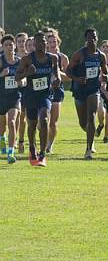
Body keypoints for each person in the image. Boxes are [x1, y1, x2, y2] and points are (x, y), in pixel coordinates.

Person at [16, 32, 62, 166]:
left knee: (44, 118)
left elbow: (56, 72)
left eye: (43, 41)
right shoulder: (27, 59)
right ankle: (32, 148)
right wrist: (27, 73)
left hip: (45, 95)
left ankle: (42, 154)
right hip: (31, 95)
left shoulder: (52, 58)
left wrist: (57, 79)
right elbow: (17, 77)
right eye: (38, 42)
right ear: (34, 44)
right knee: (32, 125)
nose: (41, 44)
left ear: (46, 43)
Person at [65, 28, 107, 160]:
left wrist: (106, 76)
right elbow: (68, 71)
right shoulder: (79, 54)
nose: (92, 40)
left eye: (94, 37)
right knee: (83, 122)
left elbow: (106, 72)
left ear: (97, 38)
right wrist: (77, 79)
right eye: (89, 38)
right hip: (79, 90)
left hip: (93, 89)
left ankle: (88, 149)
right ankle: (91, 135)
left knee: (91, 116)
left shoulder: (101, 56)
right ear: (86, 39)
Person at [43, 29, 68, 155]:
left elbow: (69, 77)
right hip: (44, 91)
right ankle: (43, 141)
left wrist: (57, 72)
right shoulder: (42, 57)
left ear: (58, 42)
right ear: (46, 43)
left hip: (58, 90)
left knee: (53, 121)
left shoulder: (63, 58)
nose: (53, 44)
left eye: (54, 41)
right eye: (50, 41)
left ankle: (49, 145)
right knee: (43, 120)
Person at [1, 34, 21, 163]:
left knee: (12, 122)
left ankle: (10, 153)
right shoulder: (1, 60)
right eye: (6, 45)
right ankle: (2, 139)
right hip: (1, 97)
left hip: (14, 96)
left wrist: (22, 81)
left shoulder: (20, 62)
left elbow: (24, 78)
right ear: (2, 47)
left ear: (15, 46)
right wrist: (1, 74)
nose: (9, 47)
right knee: (2, 127)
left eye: (11, 45)